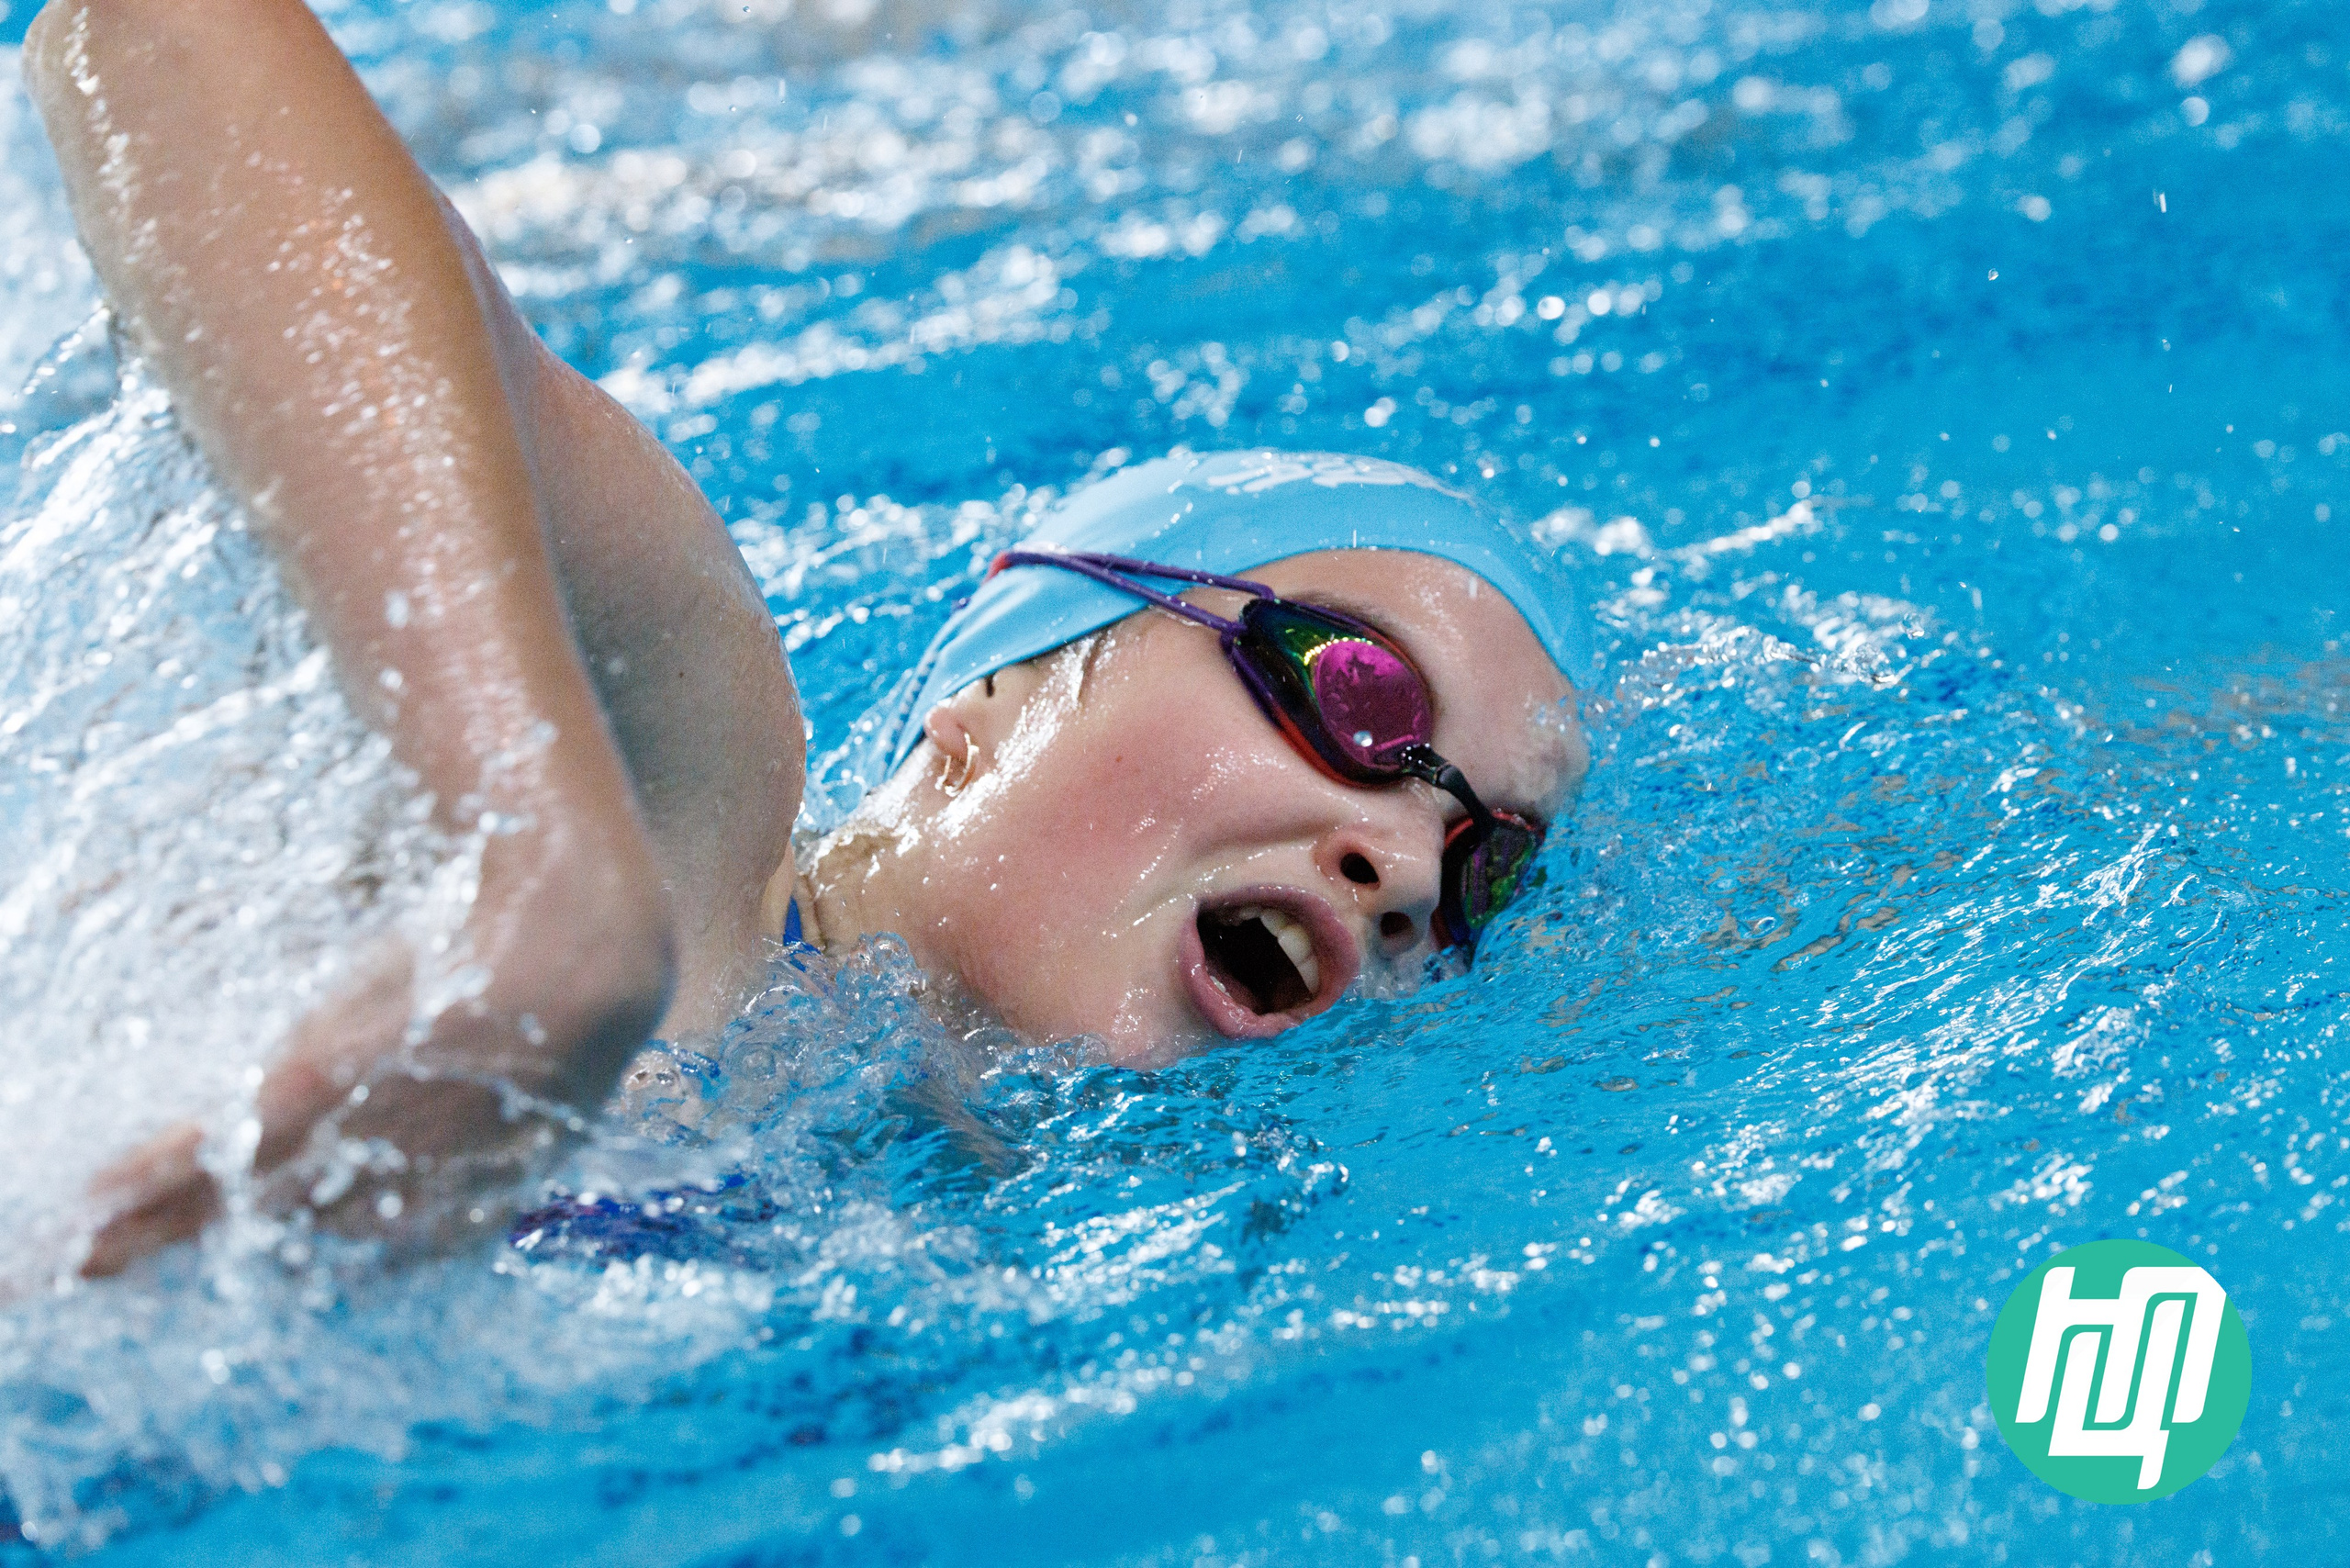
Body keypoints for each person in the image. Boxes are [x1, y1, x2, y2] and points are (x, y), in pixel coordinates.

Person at [21, 0, 1588, 1279]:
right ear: (999, 690)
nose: (1409, 866)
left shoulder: (979, 1266)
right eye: (1355, 694)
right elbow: (164, 35)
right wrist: (545, 879)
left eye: (1487, 866)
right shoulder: (692, 815)